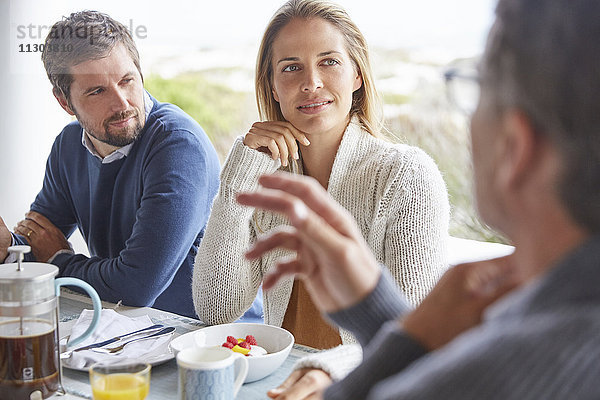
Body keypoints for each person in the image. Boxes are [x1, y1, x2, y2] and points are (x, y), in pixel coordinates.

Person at [237, 0, 600, 398]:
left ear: (515, 147)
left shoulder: (511, 360)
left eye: (476, 89)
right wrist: (377, 310)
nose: (311, 82)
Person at [192, 0, 448, 355]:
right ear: (273, 86)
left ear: (357, 75)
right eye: (291, 67)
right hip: (277, 384)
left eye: (329, 62)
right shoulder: (264, 178)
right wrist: (239, 178)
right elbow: (216, 310)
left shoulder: (406, 176)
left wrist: (323, 371)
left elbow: (415, 337)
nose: (311, 83)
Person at [0, 11, 223, 319]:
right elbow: (38, 235)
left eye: (126, 80)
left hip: (213, 342)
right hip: (131, 334)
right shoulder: (68, 146)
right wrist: (10, 248)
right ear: (64, 102)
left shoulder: (178, 145)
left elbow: (137, 286)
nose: (122, 104)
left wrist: (58, 259)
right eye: (97, 91)